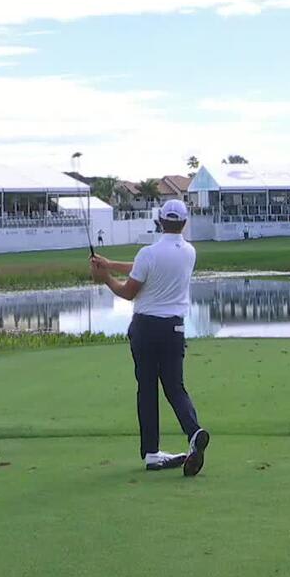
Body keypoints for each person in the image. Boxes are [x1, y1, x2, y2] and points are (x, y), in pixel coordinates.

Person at [89, 199, 211, 476]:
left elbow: (130, 290)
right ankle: (194, 433)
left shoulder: (149, 253)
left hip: (145, 329)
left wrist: (105, 277)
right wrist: (110, 263)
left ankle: (152, 453)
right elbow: (145, 265)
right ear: (184, 222)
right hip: (175, 330)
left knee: (147, 389)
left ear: (160, 220)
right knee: (175, 387)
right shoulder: (189, 252)